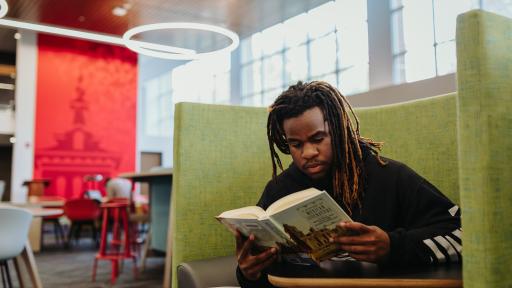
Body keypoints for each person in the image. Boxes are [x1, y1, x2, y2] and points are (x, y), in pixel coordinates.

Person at [235, 81, 462, 287]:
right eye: (296, 144)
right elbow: (266, 276)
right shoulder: (279, 190)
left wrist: (392, 247)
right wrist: (248, 274)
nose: (308, 153)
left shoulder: (390, 176)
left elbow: (463, 235)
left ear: (339, 130)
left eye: (317, 139)